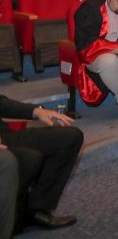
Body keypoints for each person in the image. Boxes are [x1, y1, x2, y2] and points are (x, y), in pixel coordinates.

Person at [0, 94, 81, 234]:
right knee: (29, 158)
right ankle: (9, 218)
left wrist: (37, 111)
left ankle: (36, 210)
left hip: (4, 136)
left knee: (70, 138)